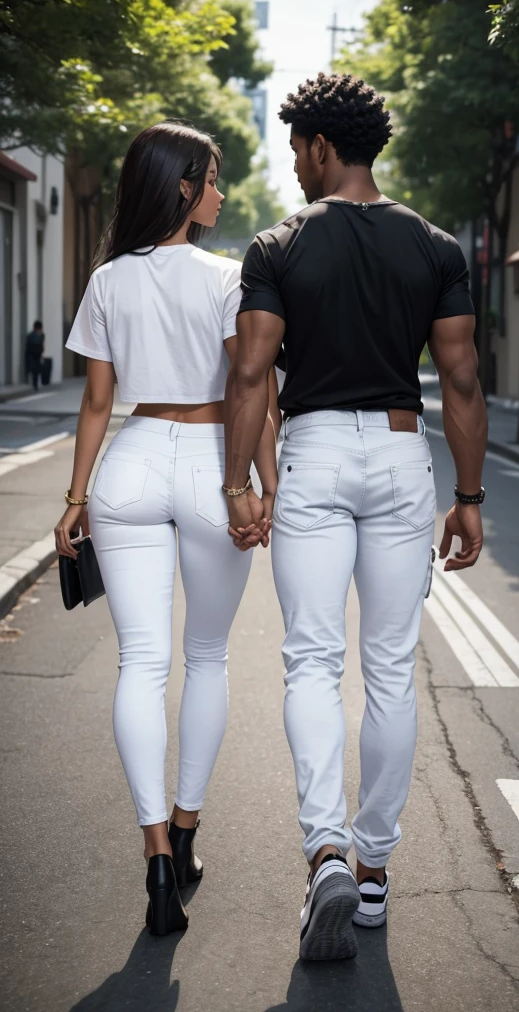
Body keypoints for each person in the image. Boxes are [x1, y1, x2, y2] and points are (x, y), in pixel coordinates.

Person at [224, 73, 487, 962]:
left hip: (319, 454)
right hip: (404, 457)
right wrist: (471, 496)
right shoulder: (436, 246)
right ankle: (373, 872)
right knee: (388, 672)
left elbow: (254, 375)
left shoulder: (278, 245)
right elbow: (460, 381)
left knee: (309, 660)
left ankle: (325, 850)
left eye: (297, 147)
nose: (293, 164)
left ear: (323, 148)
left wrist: (237, 484)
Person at [54, 122, 279, 936]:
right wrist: (265, 486)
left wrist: (75, 501)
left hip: (130, 463)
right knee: (207, 655)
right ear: (184, 188)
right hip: (211, 460)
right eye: (212, 179)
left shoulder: (108, 279)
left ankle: (153, 856)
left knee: (140, 661)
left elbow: (96, 402)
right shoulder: (230, 278)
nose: (219, 193)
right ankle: (185, 833)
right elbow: (252, 386)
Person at [25, 320, 44, 390]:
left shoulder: (31, 336)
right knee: (36, 371)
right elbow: (40, 347)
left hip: (32, 356)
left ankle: (34, 384)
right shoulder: (39, 336)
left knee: (34, 371)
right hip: (35, 356)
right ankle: (35, 385)